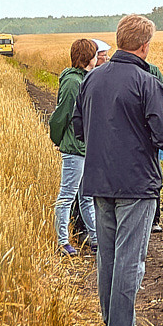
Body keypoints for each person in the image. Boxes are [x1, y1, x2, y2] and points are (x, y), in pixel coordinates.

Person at [74, 14, 163, 326]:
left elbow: (79, 129)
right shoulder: (146, 81)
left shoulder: (92, 79)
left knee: (108, 256)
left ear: (120, 40)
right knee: (129, 259)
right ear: (145, 45)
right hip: (136, 182)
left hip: (99, 179)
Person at [48, 37, 106, 255]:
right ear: (87, 57)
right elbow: (63, 114)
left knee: (86, 197)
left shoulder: (85, 78)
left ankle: (95, 239)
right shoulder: (74, 82)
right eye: (94, 54)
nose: (97, 57)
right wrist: (59, 139)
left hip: (85, 147)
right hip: (74, 148)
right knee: (67, 197)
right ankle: (62, 243)